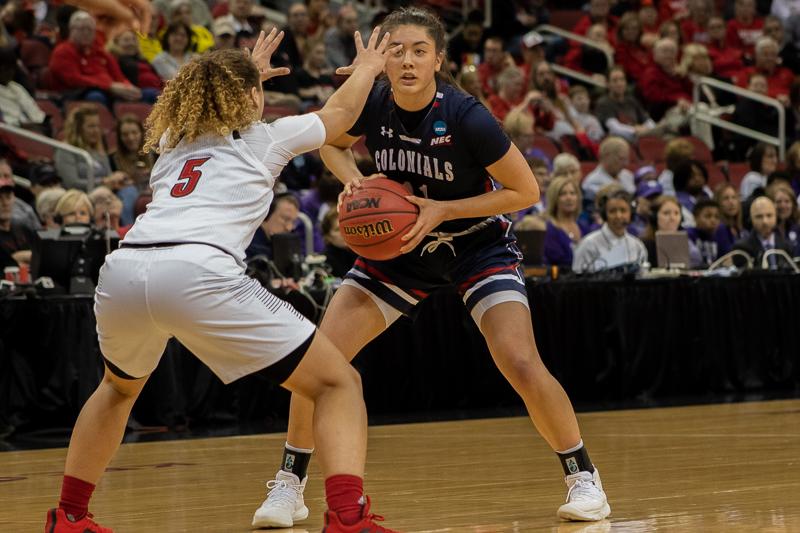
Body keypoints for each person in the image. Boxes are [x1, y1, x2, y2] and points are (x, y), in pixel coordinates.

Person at [253, 7, 611, 529]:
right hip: (399, 250)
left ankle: (584, 478)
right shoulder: (371, 99)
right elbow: (329, 143)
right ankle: (290, 483)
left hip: (473, 245)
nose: (407, 60)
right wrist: (355, 180)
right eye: (396, 50)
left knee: (519, 360)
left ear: (438, 60)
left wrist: (445, 209)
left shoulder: (468, 116)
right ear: (382, 57)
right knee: (318, 361)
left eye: (419, 50)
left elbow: (526, 191)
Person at [44, 27, 403, 533]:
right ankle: (348, 518)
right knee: (338, 382)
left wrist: (244, 73)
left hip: (124, 271)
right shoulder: (265, 138)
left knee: (117, 390)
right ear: (251, 98)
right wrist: (367, 67)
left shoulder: (172, 141)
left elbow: (218, 97)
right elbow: (339, 117)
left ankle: (70, 517)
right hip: (197, 271)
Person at [572, 188, 647, 272]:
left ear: (631, 213)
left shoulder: (637, 246)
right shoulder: (588, 244)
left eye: (623, 210)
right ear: (604, 214)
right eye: (612, 211)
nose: (618, 216)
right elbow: (576, 276)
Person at [733, 196, 794, 267]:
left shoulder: (787, 246)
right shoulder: (741, 249)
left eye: (769, 215)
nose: (765, 221)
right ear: (751, 219)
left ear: (776, 217)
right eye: (759, 216)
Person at [543, 177, 589, 267]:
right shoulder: (550, 230)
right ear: (555, 199)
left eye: (573, 193)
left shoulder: (584, 227)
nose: (569, 198)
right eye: (563, 194)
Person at [245, 191, 300, 260]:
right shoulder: (250, 247)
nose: (289, 228)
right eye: (285, 219)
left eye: (293, 222)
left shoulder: (279, 245)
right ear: (267, 214)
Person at [687, 198, 722, 265]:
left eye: (717, 217)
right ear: (695, 217)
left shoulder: (719, 236)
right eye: (708, 216)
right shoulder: (689, 235)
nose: (713, 220)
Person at [713, 183, 744, 254]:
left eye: (734, 197)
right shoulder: (719, 229)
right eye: (726, 198)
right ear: (718, 202)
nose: (731, 202)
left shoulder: (741, 230)